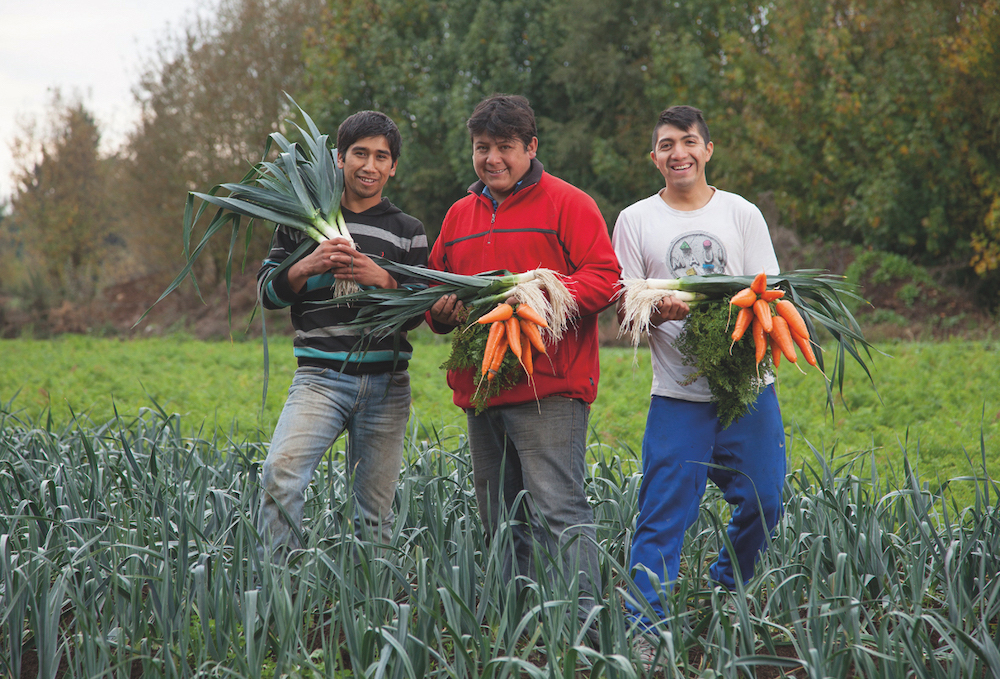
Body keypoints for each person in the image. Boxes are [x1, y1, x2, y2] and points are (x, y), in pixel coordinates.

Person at [427, 94, 620, 641]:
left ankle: (582, 633)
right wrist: (437, 312)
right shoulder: (459, 215)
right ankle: (520, 632)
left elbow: (604, 278)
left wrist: (544, 293)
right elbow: (437, 292)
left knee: (558, 511)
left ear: (531, 148)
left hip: (549, 389)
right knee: (500, 520)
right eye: (482, 148)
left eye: (505, 148)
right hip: (483, 387)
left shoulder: (568, 204)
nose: (493, 159)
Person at [612, 106, 786, 627]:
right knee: (661, 519)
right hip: (677, 397)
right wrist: (653, 311)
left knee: (766, 502)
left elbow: (769, 295)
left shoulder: (740, 213)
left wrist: (730, 312)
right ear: (654, 158)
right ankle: (645, 629)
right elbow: (624, 308)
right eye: (666, 145)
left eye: (688, 141)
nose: (678, 153)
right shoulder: (635, 220)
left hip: (748, 390)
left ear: (708, 150)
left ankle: (727, 589)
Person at [256, 110, 428, 556]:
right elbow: (267, 295)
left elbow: (416, 313)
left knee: (374, 513)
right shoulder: (300, 222)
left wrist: (381, 278)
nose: (369, 166)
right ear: (338, 158)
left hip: (388, 385)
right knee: (280, 476)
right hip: (319, 380)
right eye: (359, 154)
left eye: (381, 157)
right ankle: (281, 598)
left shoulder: (409, 232)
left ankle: (368, 614)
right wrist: (306, 265)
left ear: (393, 166)